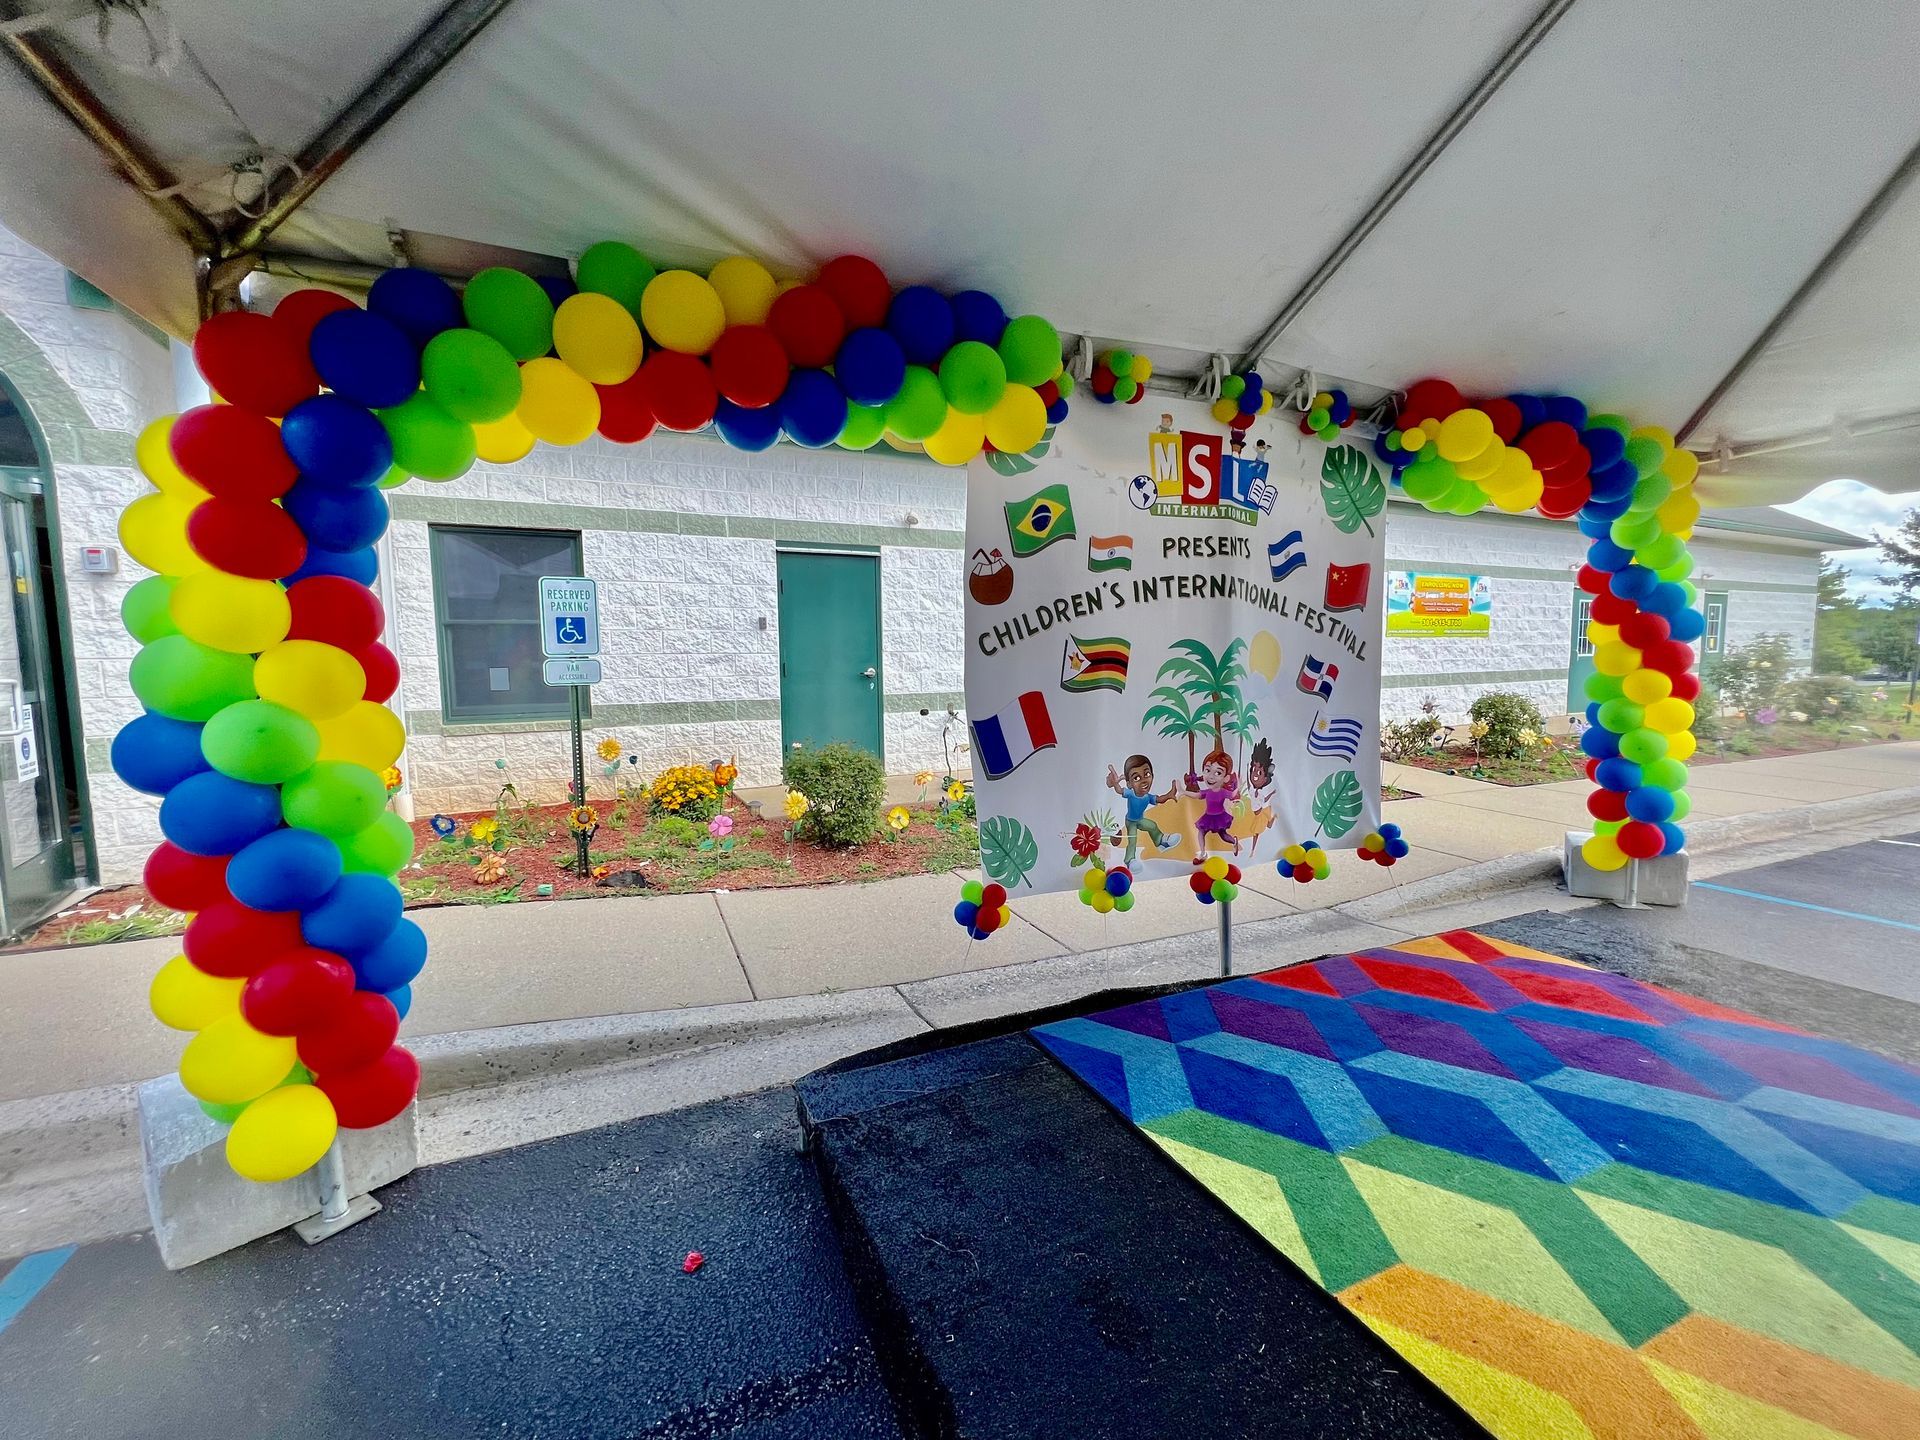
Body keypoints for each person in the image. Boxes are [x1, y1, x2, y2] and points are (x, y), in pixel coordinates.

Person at [1106, 754, 1181, 865]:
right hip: (1131, 822)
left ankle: (1160, 842)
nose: (1144, 781)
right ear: (1129, 783)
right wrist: (1115, 784)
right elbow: (1119, 790)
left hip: (1140, 820)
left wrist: (1169, 794)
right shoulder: (1131, 793)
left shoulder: (1147, 796)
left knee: (1152, 826)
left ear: (1152, 776)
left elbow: (1159, 799)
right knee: (1133, 839)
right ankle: (1130, 860)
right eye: (1136, 778)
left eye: (1147, 774)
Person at [1184, 748, 1240, 855]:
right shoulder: (1207, 792)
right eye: (1207, 770)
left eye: (1218, 773)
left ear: (1226, 778)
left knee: (1223, 835)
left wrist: (1238, 787)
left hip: (1220, 817)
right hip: (1208, 817)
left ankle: (1234, 841)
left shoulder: (1223, 792)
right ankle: (1203, 852)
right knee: (1201, 831)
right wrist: (1183, 792)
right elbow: (1196, 795)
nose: (1211, 776)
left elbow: (1232, 795)